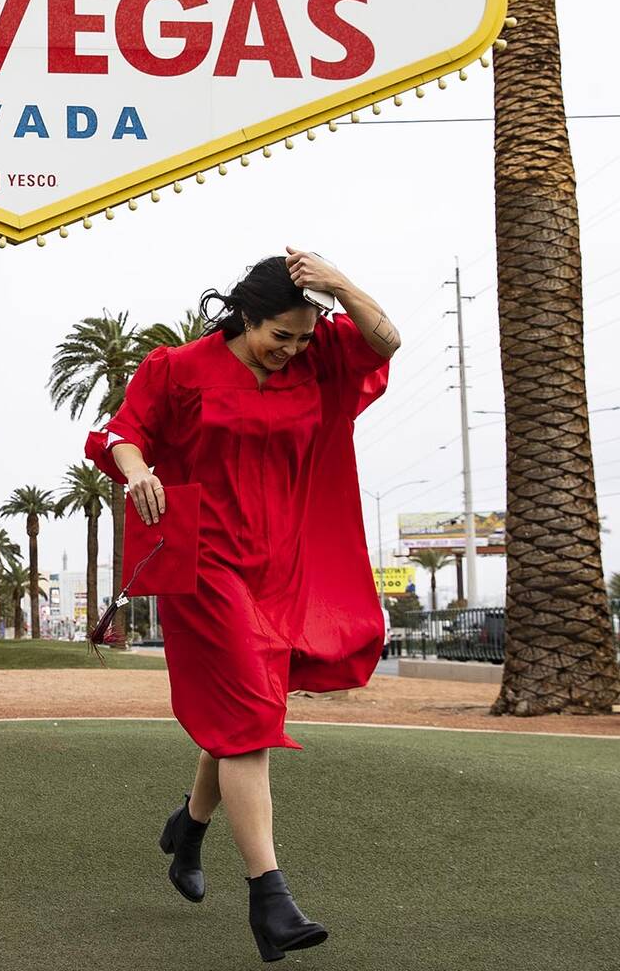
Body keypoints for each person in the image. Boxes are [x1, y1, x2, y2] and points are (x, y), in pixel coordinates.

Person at [84, 248, 400, 961]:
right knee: (252, 722)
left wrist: (341, 286)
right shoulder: (180, 368)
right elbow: (118, 434)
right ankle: (271, 899)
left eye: (301, 338)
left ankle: (189, 829)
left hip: (280, 565)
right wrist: (136, 474)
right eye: (276, 336)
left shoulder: (321, 359)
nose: (290, 351)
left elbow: (387, 341)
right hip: (204, 565)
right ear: (245, 316)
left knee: (245, 713)